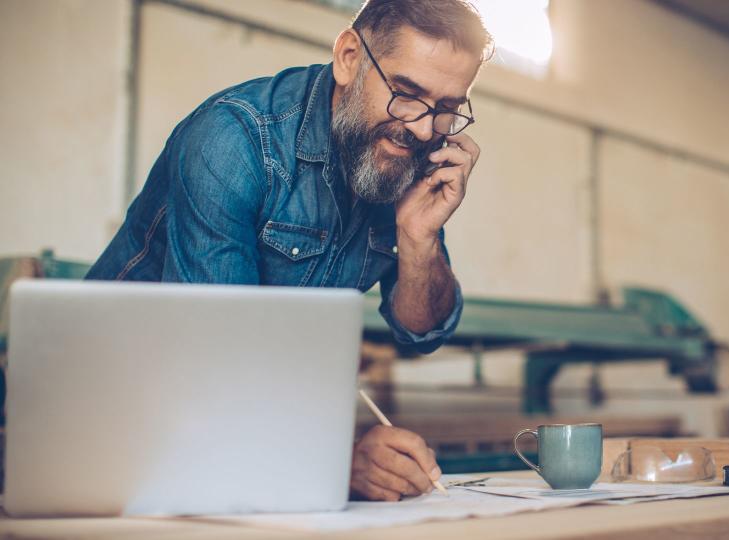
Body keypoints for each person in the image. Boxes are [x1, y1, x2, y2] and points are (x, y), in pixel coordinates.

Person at [86, 0, 493, 501]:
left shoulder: (414, 151)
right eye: (406, 94)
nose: (424, 128)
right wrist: (334, 459)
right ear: (349, 57)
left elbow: (420, 333)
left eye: (448, 108)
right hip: (115, 411)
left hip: (237, 435)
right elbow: (215, 358)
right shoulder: (234, 139)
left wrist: (418, 239)